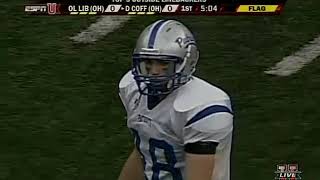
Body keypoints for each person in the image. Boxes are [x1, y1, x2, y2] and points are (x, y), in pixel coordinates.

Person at [118, 19, 234, 180]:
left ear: (186, 62)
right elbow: (144, 149)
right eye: (148, 62)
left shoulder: (201, 107)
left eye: (163, 63)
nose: (153, 71)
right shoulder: (132, 89)